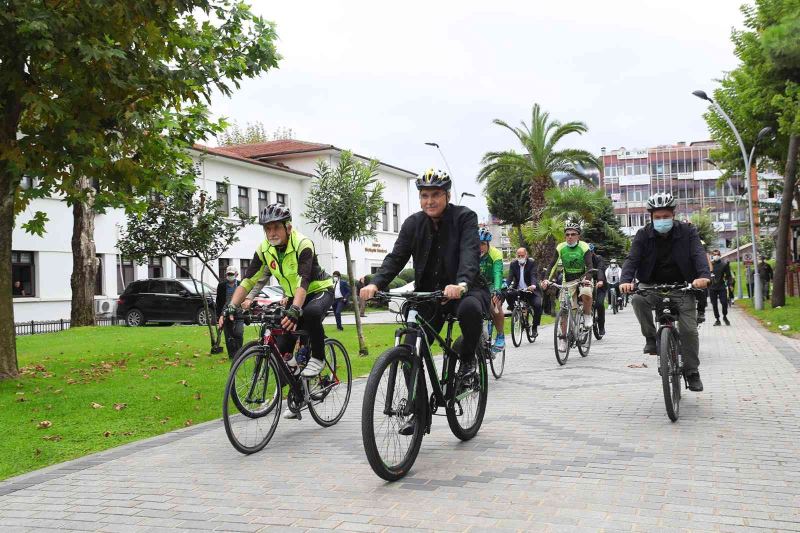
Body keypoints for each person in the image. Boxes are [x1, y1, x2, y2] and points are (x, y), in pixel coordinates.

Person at [360, 168, 489, 386]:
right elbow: (396, 257)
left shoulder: (465, 217)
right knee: (410, 351)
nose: (430, 201)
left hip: (464, 290)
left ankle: (468, 359)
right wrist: (376, 283)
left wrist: (461, 283)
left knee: (470, 311)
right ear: (420, 199)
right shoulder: (413, 224)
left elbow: (470, 254)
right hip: (429, 296)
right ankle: (417, 415)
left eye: (436, 194)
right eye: (424, 195)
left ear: (447, 195)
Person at [230, 203, 334, 419]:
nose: (271, 233)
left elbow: (303, 280)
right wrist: (231, 306)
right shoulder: (264, 249)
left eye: (276, 227)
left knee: (311, 314)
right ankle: (297, 386)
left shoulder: (303, 244)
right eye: (267, 229)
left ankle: (319, 357)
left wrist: (295, 309)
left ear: (288, 227)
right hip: (293, 296)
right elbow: (249, 279)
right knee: (282, 343)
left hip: (317, 291)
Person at [619, 192, 711, 392]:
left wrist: (703, 276)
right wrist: (626, 280)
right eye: (657, 217)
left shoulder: (688, 231)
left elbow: (698, 254)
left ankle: (692, 372)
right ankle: (651, 339)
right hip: (651, 286)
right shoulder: (643, 235)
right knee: (637, 300)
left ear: (673, 214)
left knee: (689, 330)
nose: (662, 221)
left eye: (666, 216)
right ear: (651, 217)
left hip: (683, 287)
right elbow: (632, 259)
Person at [541, 219, 596, 353]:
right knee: (564, 309)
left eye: (573, 234)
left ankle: (588, 315)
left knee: (586, 292)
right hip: (568, 281)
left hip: (583, 278)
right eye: (567, 234)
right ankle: (563, 338)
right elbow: (552, 265)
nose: (570, 237)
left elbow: (590, 266)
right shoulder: (560, 247)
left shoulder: (584, 247)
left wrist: (587, 279)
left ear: (578, 235)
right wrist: (545, 280)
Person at [505, 246, 543, 339]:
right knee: (508, 293)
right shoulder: (513, 264)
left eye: (522, 255)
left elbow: (533, 275)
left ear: (526, 255)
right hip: (519, 290)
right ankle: (515, 311)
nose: (520, 257)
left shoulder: (531, 263)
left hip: (530, 290)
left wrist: (533, 285)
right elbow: (510, 277)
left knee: (538, 305)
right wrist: (505, 285)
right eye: (519, 256)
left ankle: (534, 327)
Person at [478, 228, 506, 350]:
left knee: (494, 305)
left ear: (488, 244)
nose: (480, 247)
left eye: (483, 244)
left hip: (495, 285)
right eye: (477, 244)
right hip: (479, 287)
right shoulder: (471, 254)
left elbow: (497, 273)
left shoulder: (495, 253)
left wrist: (497, 290)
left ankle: (500, 336)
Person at [216, 266, 244, 358]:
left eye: (232, 274)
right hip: (226, 312)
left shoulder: (241, 285)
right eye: (228, 274)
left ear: (236, 274)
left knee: (239, 332)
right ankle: (231, 355)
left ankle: (239, 354)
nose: (230, 276)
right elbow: (219, 302)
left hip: (239, 312)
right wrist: (220, 316)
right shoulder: (221, 286)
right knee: (228, 334)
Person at [709, 249, 733, 326]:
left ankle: (725, 316)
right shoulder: (710, 265)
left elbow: (729, 276)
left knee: (724, 302)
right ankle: (717, 319)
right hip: (712, 287)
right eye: (714, 255)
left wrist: (730, 284)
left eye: (717, 254)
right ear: (712, 256)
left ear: (720, 255)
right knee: (714, 304)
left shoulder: (724, 264)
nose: (716, 256)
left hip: (721, 286)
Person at [588, 244, 608, 336]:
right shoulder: (582, 259)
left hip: (599, 284)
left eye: (590, 252)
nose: (588, 254)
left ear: (593, 252)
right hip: (587, 283)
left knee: (599, 304)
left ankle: (601, 327)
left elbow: (600, 270)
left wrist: (600, 280)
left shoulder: (599, 258)